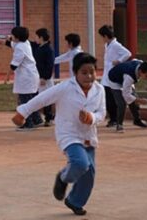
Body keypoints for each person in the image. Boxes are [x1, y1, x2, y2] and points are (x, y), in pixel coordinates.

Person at [12, 52, 105, 216]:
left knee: (89, 173)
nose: (89, 76)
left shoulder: (99, 90)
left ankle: (75, 201)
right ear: (75, 72)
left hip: (88, 135)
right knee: (80, 163)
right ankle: (63, 178)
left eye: (92, 72)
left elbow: (102, 113)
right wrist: (23, 113)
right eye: (84, 72)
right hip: (68, 134)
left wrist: (91, 118)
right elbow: (42, 99)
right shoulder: (65, 88)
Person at [4, 26, 42, 130]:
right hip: (32, 76)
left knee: (25, 101)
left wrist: (7, 76)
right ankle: (37, 119)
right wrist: (5, 40)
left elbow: (14, 65)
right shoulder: (25, 43)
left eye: (13, 35)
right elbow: (10, 44)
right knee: (33, 99)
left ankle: (28, 123)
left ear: (17, 37)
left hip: (26, 78)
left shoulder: (20, 47)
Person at [106, 59, 147, 133]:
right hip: (114, 80)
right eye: (146, 76)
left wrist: (136, 99)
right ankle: (119, 124)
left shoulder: (141, 64)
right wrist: (139, 100)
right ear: (140, 71)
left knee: (134, 99)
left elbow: (135, 60)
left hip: (124, 77)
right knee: (122, 103)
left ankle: (137, 120)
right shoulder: (129, 77)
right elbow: (126, 95)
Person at [97, 25, 131, 128]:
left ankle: (114, 119)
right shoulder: (107, 45)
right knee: (107, 98)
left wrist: (119, 61)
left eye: (102, 37)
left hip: (112, 75)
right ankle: (113, 118)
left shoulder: (116, 45)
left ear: (106, 36)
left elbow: (128, 53)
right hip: (106, 75)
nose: (102, 39)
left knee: (112, 99)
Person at [32, 28, 56, 126]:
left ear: (41, 37)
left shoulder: (48, 49)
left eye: (36, 36)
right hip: (38, 77)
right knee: (39, 98)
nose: (35, 38)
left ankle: (49, 118)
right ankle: (39, 117)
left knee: (47, 98)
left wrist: (45, 77)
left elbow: (50, 65)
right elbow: (27, 42)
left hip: (45, 79)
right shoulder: (38, 47)